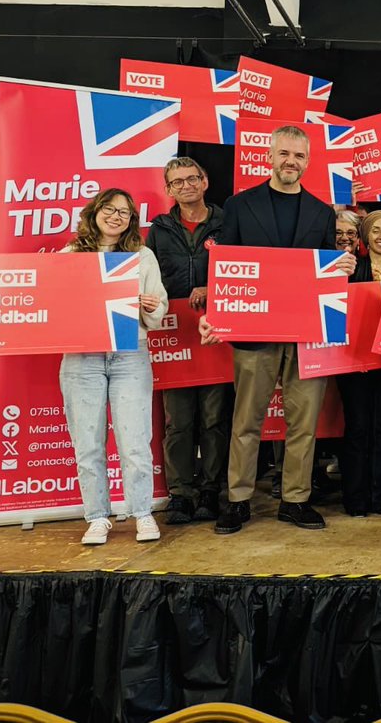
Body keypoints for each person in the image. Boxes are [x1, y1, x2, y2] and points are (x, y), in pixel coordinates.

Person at [200, 124, 353, 535]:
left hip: (305, 334)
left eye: (299, 156)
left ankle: (296, 499)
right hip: (254, 331)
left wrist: (342, 269)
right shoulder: (238, 205)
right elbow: (226, 267)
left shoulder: (323, 213)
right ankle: (238, 500)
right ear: (270, 156)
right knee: (246, 419)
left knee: (303, 423)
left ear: (308, 161)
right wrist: (218, 312)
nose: (291, 162)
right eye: (285, 154)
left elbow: (324, 271)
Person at [60, 189, 168, 545]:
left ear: (131, 221)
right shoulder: (72, 255)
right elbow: (46, 296)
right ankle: (97, 517)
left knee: (135, 440)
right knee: (88, 441)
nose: (116, 216)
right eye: (109, 209)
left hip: (129, 354)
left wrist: (151, 306)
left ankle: (142, 513)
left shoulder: (142, 255)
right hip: (82, 357)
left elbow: (159, 311)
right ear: (94, 212)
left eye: (124, 212)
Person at [144, 157, 228, 525]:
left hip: (216, 331)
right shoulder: (159, 229)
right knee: (177, 421)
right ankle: (181, 494)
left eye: (192, 178)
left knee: (214, 418)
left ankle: (211, 490)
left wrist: (213, 287)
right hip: (173, 333)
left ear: (205, 180)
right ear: (169, 190)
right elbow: (147, 274)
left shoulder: (227, 221)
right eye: (177, 182)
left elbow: (244, 265)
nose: (185, 186)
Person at [337, 210, 381, 516]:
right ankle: (356, 499)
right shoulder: (351, 269)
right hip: (354, 365)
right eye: (375, 230)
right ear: (365, 236)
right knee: (358, 428)